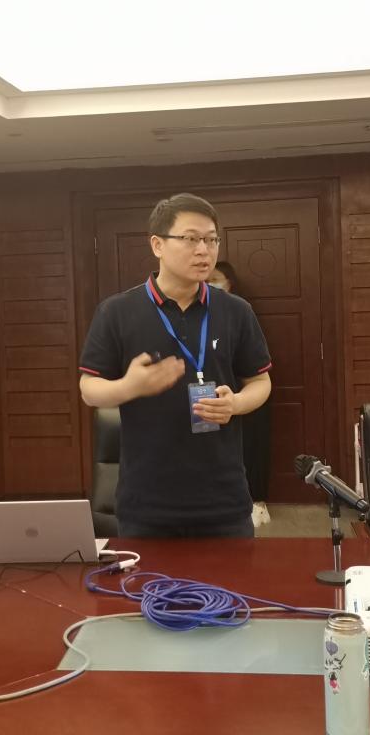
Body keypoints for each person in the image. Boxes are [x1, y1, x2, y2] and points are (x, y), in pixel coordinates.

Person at [78, 193, 273, 538]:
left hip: (224, 501)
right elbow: (89, 390)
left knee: (231, 577)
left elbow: (260, 382)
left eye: (211, 240)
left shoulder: (235, 311)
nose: (204, 250)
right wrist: (129, 387)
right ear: (157, 245)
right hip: (147, 503)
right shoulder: (117, 312)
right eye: (191, 239)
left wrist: (236, 403)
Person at [208, 262, 273, 529]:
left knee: (251, 450)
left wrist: (239, 400)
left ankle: (257, 502)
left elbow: (259, 376)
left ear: (230, 283)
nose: (210, 284)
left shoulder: (239, 311)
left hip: (243, 395)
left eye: (215, 279)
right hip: (208, 401)